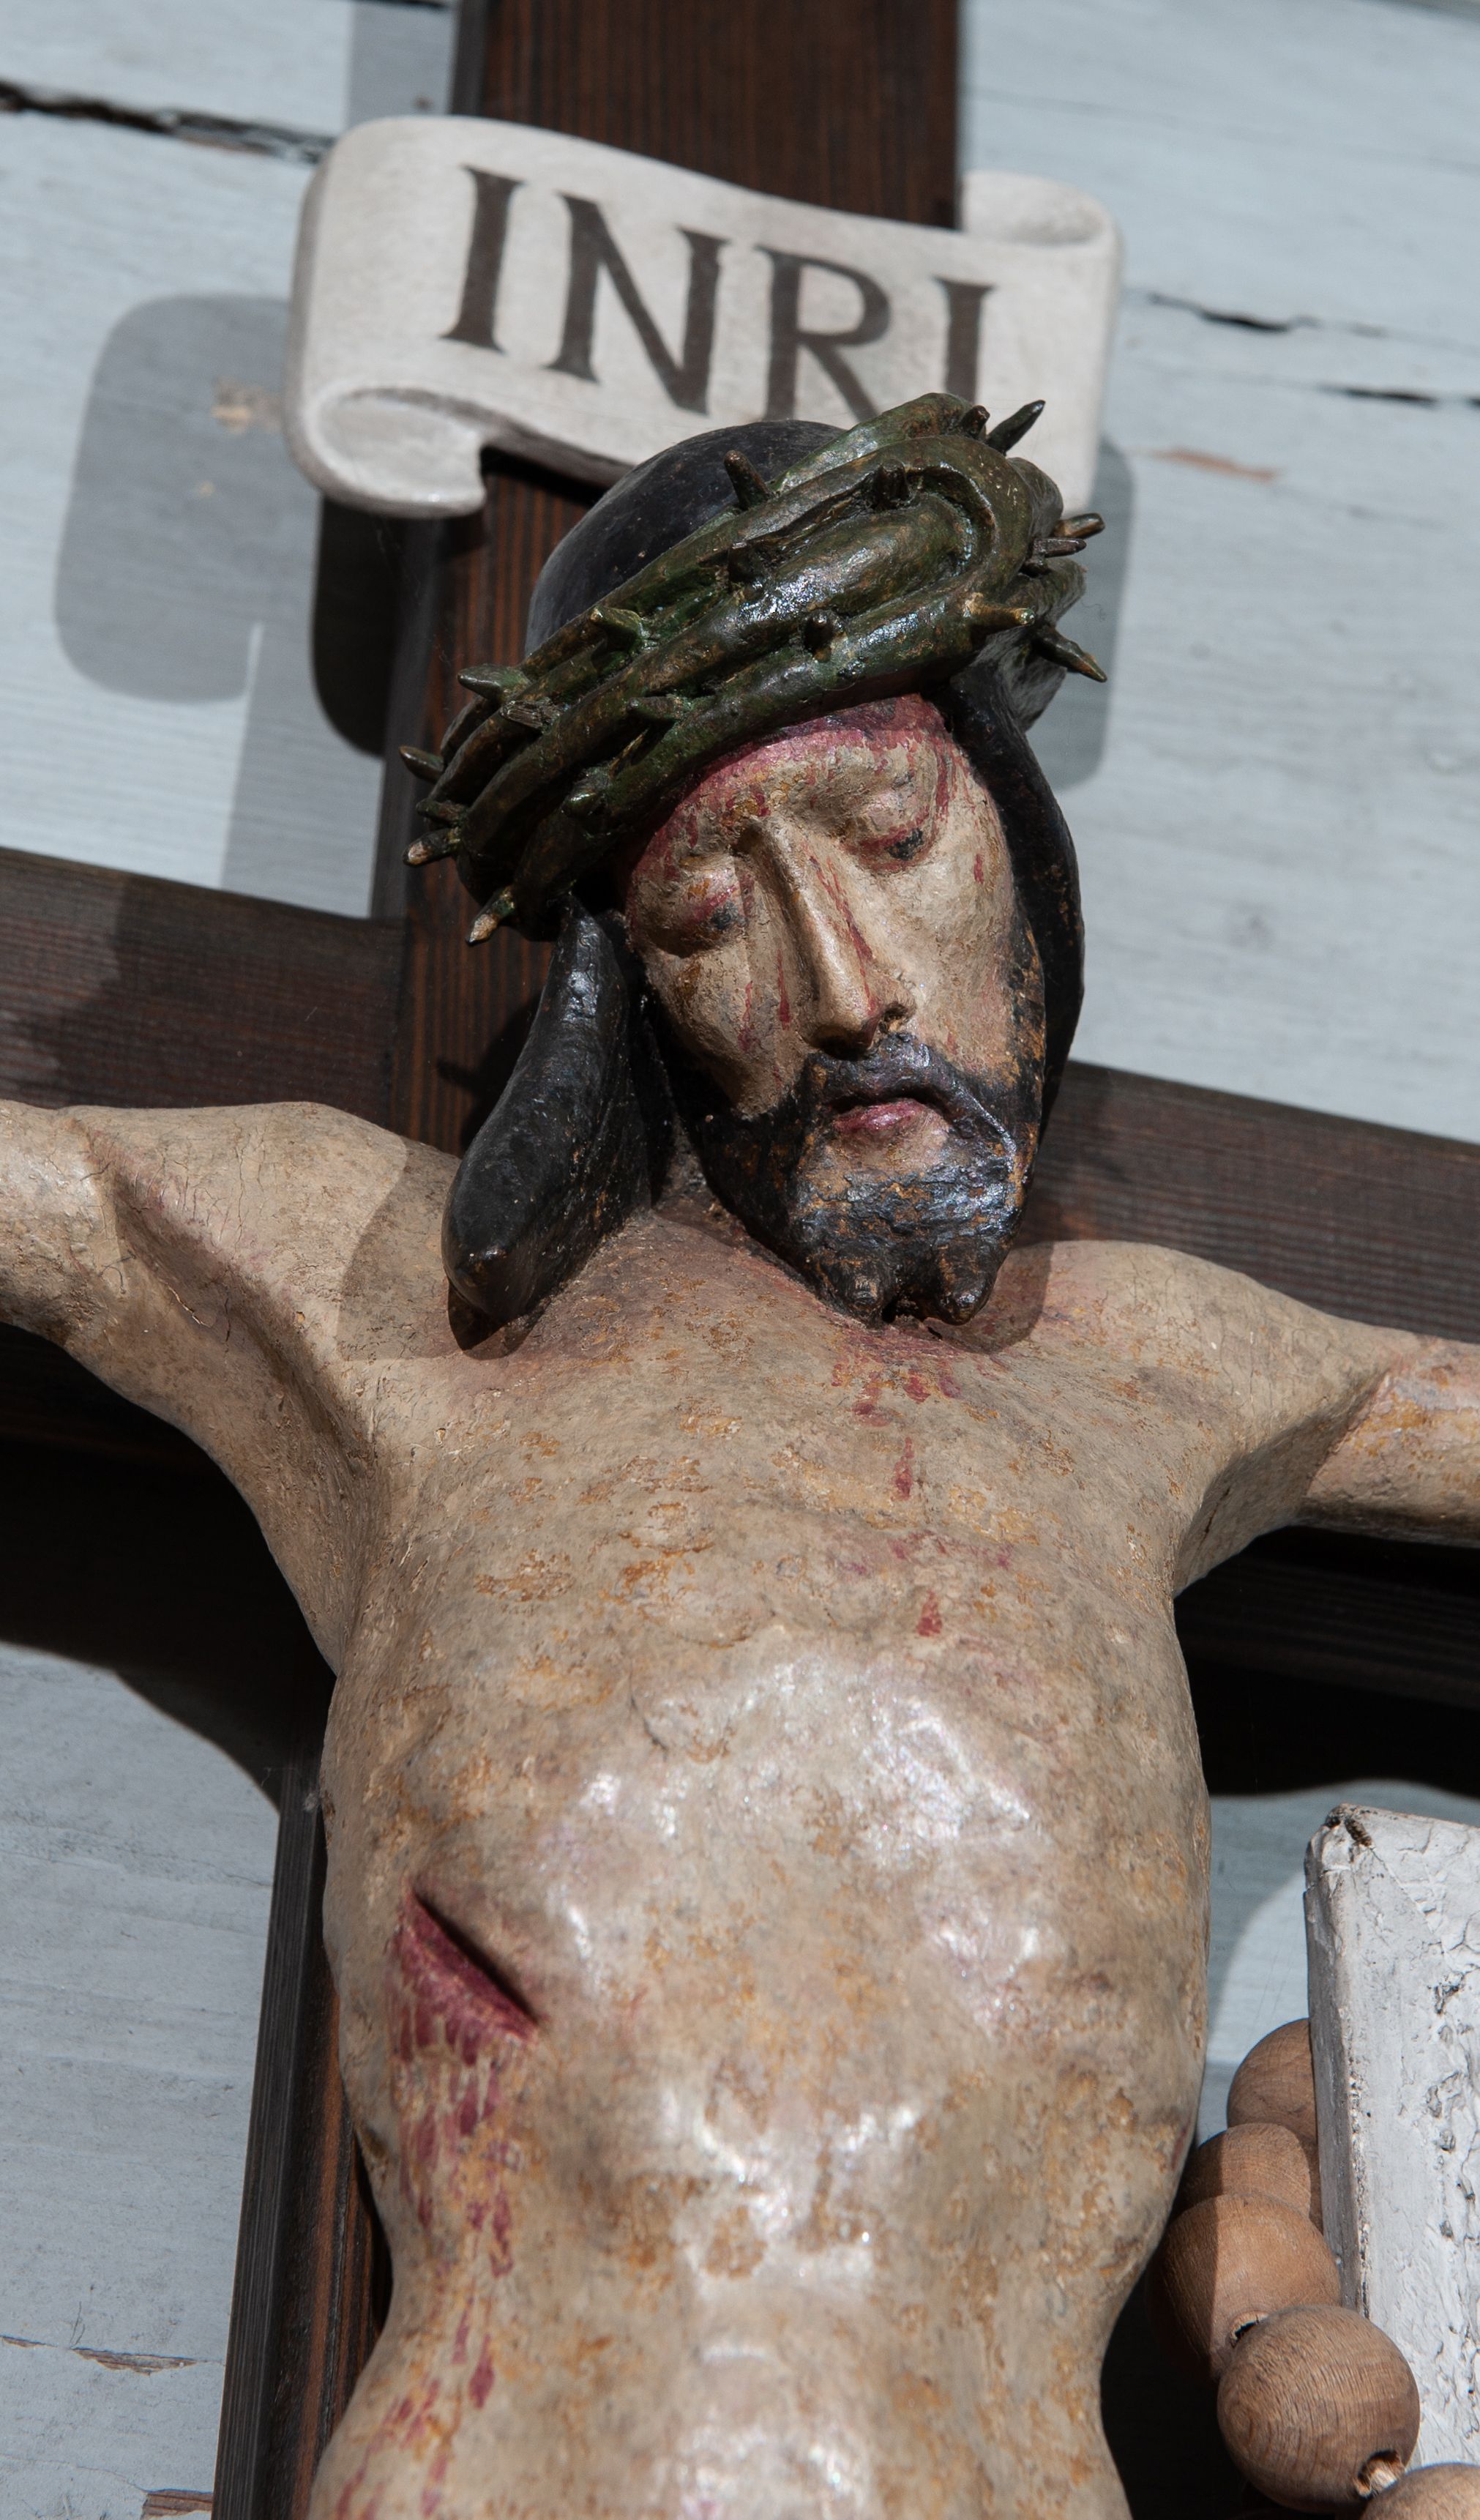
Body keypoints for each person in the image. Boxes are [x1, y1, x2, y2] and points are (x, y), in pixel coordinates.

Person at [2, 399, 1475, 2520]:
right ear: (629, 995)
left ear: (1017, 844)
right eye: (709, 914)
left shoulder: (1164, 1372)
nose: (848, 986)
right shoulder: (407, 1315)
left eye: (891, 833)